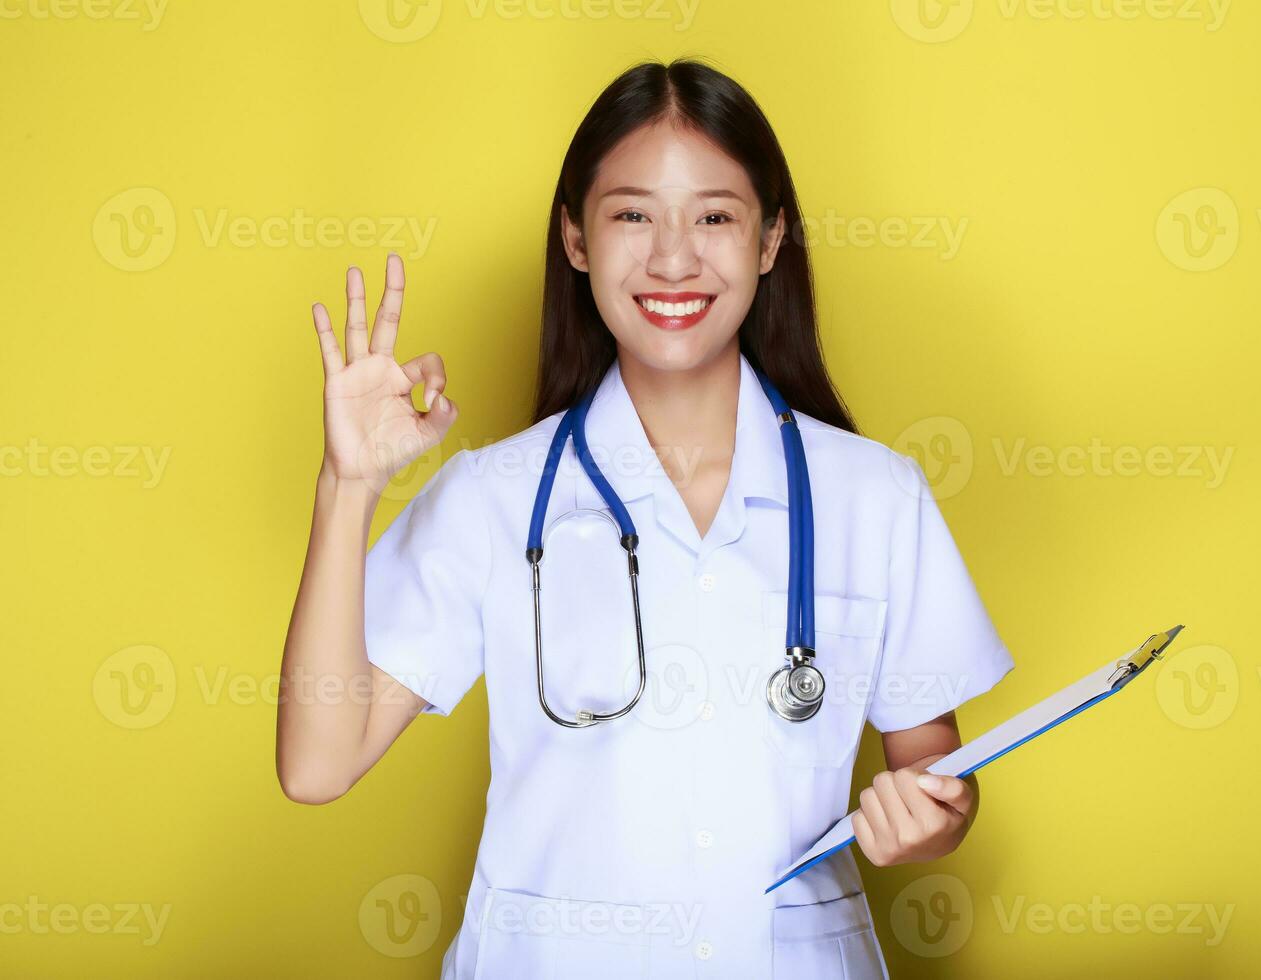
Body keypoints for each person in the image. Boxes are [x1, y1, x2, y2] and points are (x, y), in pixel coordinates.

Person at [275, 57, 1013, 979]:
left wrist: (928, 821)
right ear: (576, 239)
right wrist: (348, 486)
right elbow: (316, 764)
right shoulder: (494, 498)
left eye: (714, 216)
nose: (672, 259)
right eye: (631, 214)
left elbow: (935, 768)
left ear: (771, 237)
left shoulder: (876, 497)